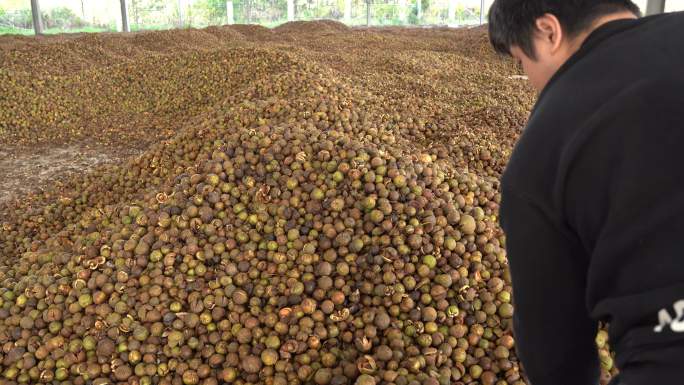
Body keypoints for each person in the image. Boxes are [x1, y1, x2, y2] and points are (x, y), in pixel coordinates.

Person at [487, 1, 684, 384]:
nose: (528, 78)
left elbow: (557, 362)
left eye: (520, 61)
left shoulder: (541, 152)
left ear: (548, 32)